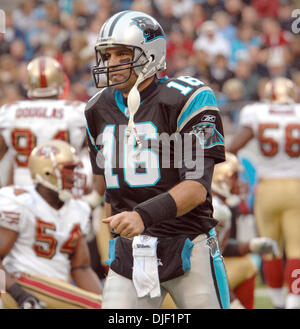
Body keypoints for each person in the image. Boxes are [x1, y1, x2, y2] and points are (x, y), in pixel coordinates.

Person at [85, 10, 229, 309]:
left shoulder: (188, 98)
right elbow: (108, 189)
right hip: (131, 252)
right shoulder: (96, 109)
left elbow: (195, 187)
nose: (111, 63)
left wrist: (141, 216)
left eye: (121, 54)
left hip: (189, 244)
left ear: (150, 54)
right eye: (106, 55)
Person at [0, 140, 102, 309]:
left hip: (56, 288)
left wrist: (105, 300)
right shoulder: (20, 202)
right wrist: (18, 295)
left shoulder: (79, 209)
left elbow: (81, 267)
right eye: (68, 169)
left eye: (75, 169)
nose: (74, 175)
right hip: (21, 282)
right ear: (46, 172)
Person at [227, 77, 300, 309]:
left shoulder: (256, 112)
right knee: (296, 249)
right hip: (296, 187)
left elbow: (234, 148)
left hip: (267, 188)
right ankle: (294, 301)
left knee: (270, 248)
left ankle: (278, 302)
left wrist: (235, 176)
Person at [0, 56, 86, 187]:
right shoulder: (77, 111)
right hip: (63, 189)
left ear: (28, 83)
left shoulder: (9, 111)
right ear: (60, 81)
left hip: (23, 189)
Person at [212, 152, 279, 309]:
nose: (239, 183)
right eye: (234, 177)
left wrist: (251, 245)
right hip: (183, 289)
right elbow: (206, 262)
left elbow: (218, 248)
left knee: (244, 261)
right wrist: (234, 302)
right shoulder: (216, 211)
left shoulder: (217, 206)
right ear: (220, 178)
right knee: (247, 266)